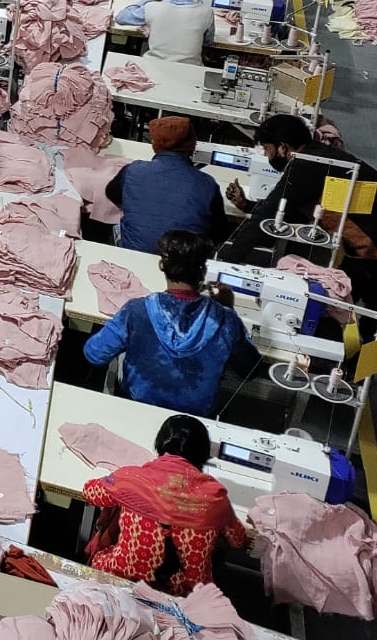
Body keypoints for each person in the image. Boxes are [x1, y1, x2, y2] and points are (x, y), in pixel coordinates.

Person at [220, 115, 377, 335]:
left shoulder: (307, 165)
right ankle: (340, 345)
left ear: (283, 148)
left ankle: (358, 360)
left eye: (267, 149)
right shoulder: (317, 157)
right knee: (337, 298)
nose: (266, 155)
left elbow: (264, 218)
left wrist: (221, 265)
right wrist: (247, 205)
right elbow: (288, 210)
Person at [84, 229, 260, 415]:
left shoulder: (137, 310)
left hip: (138, 404)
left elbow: (95, 354)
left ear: (162, 265)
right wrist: (228, 310)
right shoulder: (225, 319)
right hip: (196, 416)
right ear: (203, 272)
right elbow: (249, 370)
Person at [83, 414, 249, 594]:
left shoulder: (131, 480)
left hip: (123, 577)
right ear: (203, 453)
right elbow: (238, 540)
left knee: (113, 525)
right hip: (185, 595)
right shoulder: (215, 497)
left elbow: (90, 492)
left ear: (160, 444)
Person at [105, 117, 228, 253]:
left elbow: (111, 193)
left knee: (118, 226)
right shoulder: (207, 183)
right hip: (182, 260)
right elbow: (220, 232)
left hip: (135, 249)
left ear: (154, 143)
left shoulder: (134, 169)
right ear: (193, 145)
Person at [115, 0, 214, 63]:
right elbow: (207, 41)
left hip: (153, 67)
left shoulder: (152, 7)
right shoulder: (207, 13)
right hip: (190, 70)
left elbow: (121, 18)